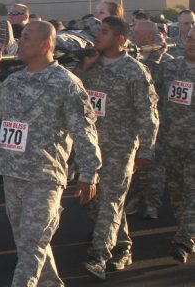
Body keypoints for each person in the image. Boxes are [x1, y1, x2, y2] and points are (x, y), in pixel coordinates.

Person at [0, 21, 102, 287]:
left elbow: (84, 129)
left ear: (46, 44)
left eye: (27, 37)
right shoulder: (14, 80)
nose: (20, 41)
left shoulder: (65, 83)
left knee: (32, 247)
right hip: (12, 173)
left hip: (44, 178)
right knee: (28, 244)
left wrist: (90, 172)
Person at [76, 16, 159, 279]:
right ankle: (123, 247)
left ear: (120, 39)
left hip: (121, 147)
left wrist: (146, 149)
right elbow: (72, 97)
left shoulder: (134, 71)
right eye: (97, 32)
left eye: (104, 32)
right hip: (91, 147)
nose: (97, 37)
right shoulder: (91, 66)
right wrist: (84, 71)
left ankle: (99, 255)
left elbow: (147, 113)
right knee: (98, 204)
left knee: (111, 199)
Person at [155, 27, 195, 263]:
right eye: (189, 39)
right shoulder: (170, 67)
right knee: (177, 191)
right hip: (171, 141)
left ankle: (184, 239)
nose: (191, 43)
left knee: (192, 191)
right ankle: (186, 229)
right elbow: (152, 89)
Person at [125, 20, 171, 220]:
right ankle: (133, 198)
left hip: (157, 122)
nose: (133, 36)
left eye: (136, 33)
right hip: (132, 122)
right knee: (132, 164)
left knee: (155, 166)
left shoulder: (165, 61)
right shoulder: (130, 58)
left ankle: (152, 203)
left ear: (148, 38)